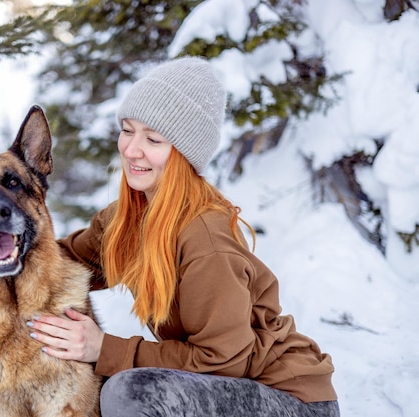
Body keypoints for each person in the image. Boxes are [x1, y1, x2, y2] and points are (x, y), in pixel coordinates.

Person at [25, 56, 340, 417]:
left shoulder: (205, 239)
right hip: (227, 389)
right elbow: (63, 262)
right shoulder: (129, 218)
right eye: (127, 130)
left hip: (290, 400)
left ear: (184, 154)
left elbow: (222, 361)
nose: (131, 150)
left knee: (129, 392)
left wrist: (105, 349)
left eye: (153, 138)